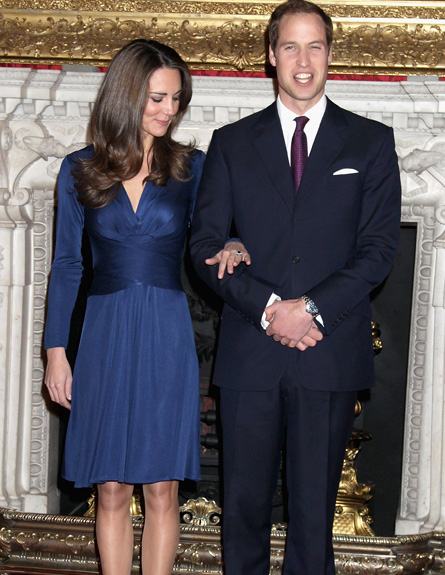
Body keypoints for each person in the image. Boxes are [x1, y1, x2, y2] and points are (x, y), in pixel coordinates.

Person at [189, 1, 402, 573]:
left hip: (328, 352)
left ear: (330, 55)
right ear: (270, 56)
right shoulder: (231, 143)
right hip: (249, 356)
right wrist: (267, 309)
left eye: (315, 47)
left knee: (314, 523)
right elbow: (205, 246)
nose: (302, 61)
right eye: (290, 46)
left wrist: (310, 309)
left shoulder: (372, 143)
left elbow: (379, 249)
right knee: (244, 516)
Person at [43, 39, 248, 575]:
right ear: (127, 94)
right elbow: (67, 266)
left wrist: (233, 242)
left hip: (165, 331)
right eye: (157, 97)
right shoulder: (78, 170)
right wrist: (56, 352)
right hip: (104, 333)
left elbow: (219, 235)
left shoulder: (191, 167)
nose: (168, 110)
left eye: (176, 99)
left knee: (161, 486)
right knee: (109, 486)